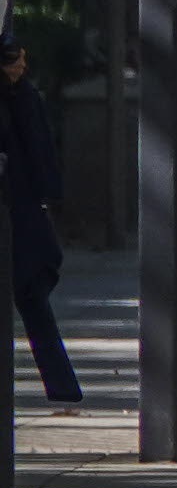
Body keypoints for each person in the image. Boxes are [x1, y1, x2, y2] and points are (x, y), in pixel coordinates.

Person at [1, 32, 84, 413]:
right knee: (31, 290)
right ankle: (63, 388)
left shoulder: (19, 93)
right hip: (18, 195)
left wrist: (14, 80)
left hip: (16, 196)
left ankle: (64, 388)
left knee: (31, 288)